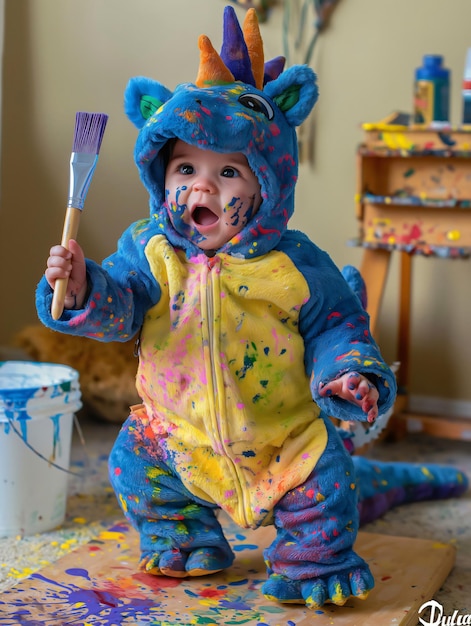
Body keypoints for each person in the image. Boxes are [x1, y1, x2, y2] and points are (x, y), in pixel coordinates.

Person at [36, 6, 398, 610]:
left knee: (324, 486)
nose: (201, 188)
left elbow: (338, 326)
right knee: (133, 459)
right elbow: (119, 304)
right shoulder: (150, 250)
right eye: (185, 168)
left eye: (228, 171)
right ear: (161, 174)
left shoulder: (297, 267)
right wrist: (78, 289)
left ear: (268, 181)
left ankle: (315, 561)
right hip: (179, 435)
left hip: (284, 440)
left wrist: (350, 372)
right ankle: (184, 536)